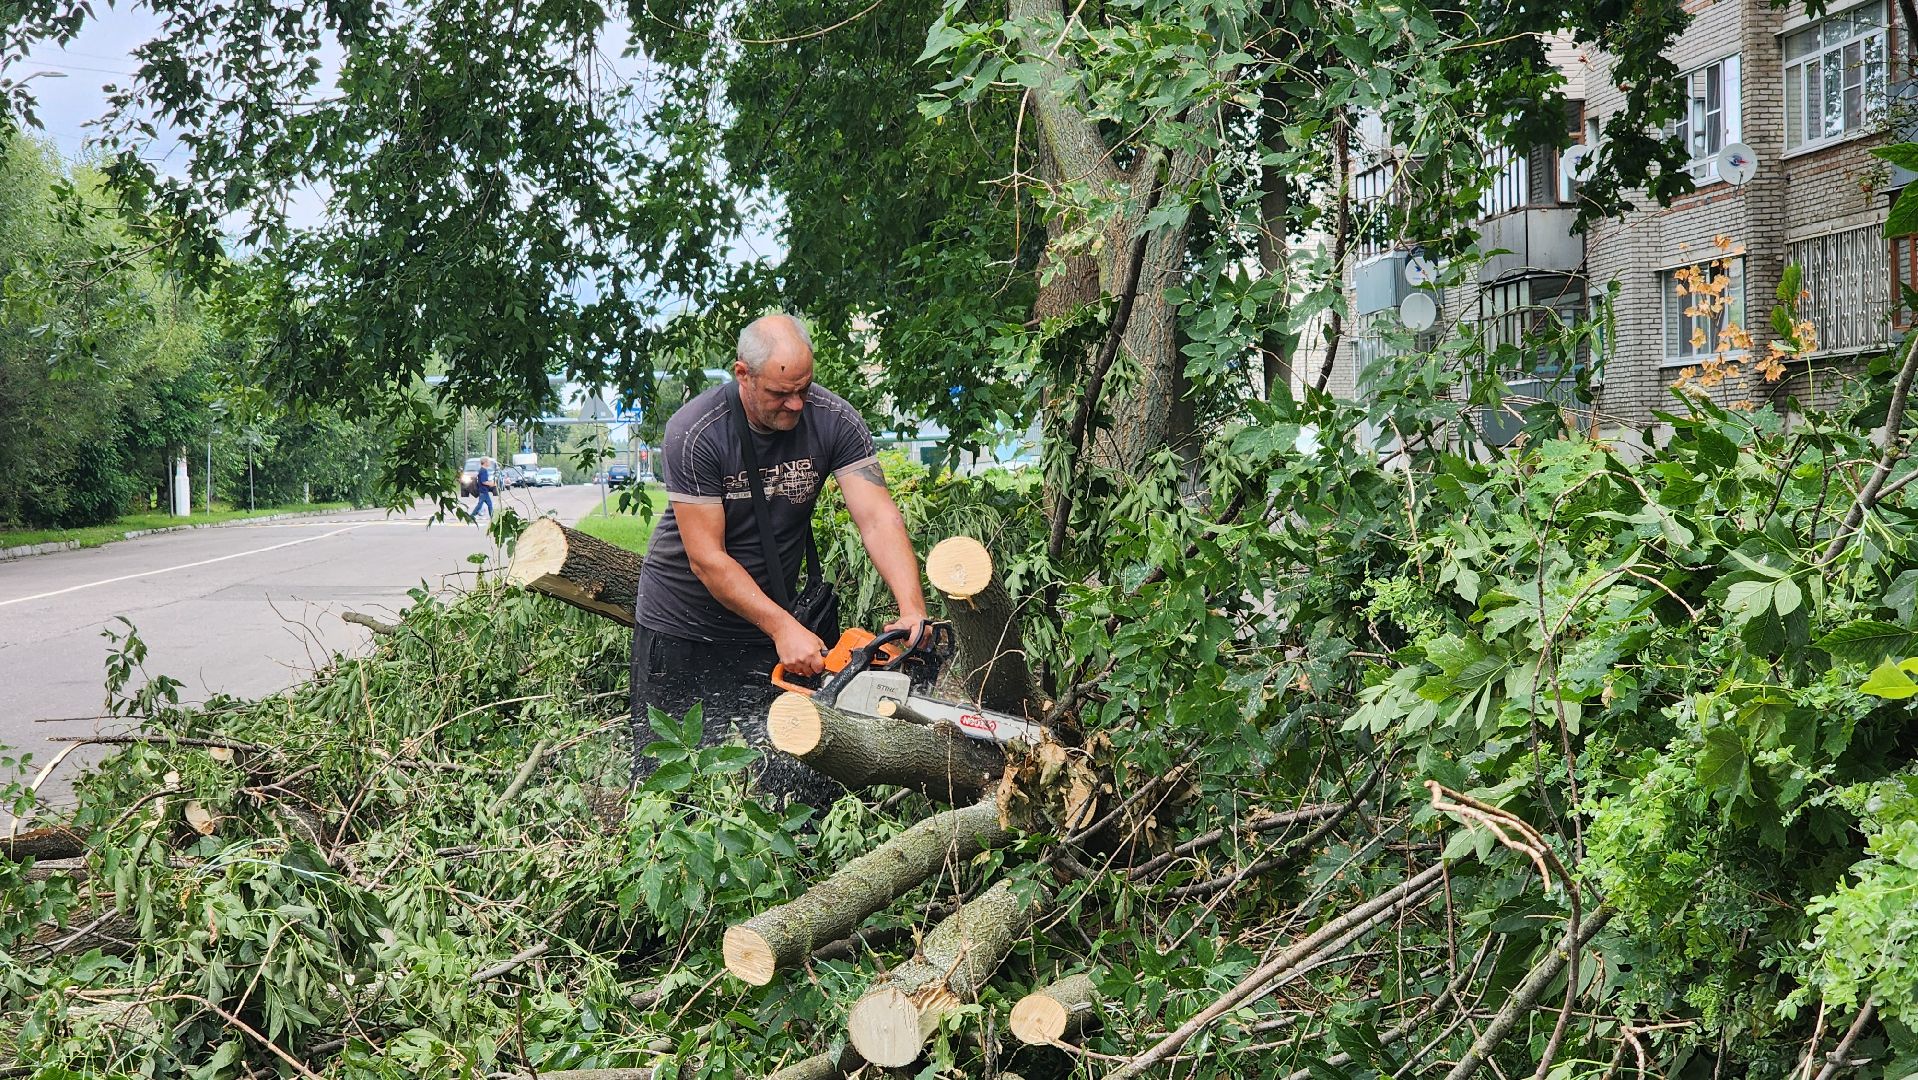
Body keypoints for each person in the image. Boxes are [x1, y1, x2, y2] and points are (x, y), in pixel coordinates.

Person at [631, 313, 927, 807]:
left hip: (772, 623)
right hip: (683, 626)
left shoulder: (833, 419)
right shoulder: (696, 431)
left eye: (803, 389)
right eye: (779, 393)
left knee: (795, 779)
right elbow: (707, 559)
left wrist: (911, 608)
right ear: (742, 374)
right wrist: (783, 627)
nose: (795, 404)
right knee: (670, 789)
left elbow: (877, 517)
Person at [471, 457, 497, 523]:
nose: (489, 463)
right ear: (485, 463)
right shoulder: (483, 470)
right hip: (483, 491)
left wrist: (490, 483)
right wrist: (492, 484)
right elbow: (483, 481)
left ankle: (492, 517)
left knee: (489, 504)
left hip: (484, 491)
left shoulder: (483, 470)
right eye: (488, 462)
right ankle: (471, 516)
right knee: (479, 505)